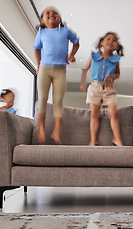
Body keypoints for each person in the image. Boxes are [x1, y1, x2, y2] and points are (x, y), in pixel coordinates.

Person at [33, 6, 80, 144]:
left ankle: (57, 132)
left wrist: (71, 55)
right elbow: (36, 49)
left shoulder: (65, 31)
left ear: (59, 19)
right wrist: (38, 64)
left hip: (60, 71)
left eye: (55, 13)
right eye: (48, 13)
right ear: (42, 20)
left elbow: (76, 43)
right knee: (42, 98)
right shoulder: (41, 32)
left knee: (58, 101)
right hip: (45, 70)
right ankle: (41, 128)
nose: (52, 14)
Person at [80, 32, 124, 146]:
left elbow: (118, 74)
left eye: (114, 40)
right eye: (108, 39)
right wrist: (83, 84)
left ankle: (116, 138)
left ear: (116, 46)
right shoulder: (93, 56)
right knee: (95, 113)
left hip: (109, 89)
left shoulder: (116, 59)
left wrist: (112, 76)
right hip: (95, 87)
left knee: (113, 112)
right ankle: (93, 139)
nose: (111, 41)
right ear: (101, 43)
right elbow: (85, 69)